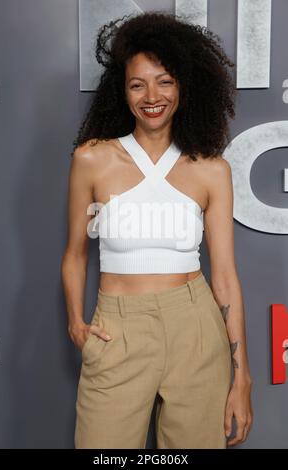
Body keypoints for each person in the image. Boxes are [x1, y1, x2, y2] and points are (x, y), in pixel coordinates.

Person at [61, 11, 253, 449]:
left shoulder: (212, 170)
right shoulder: (93, 159)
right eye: (137, 84)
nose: (152, 95)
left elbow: (224, 277)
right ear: (122, 91)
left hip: (197, 328)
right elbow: (75, 253)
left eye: (164, 81)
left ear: (184, 86)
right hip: (118, 327)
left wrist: (242, 379)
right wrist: (76, 322)